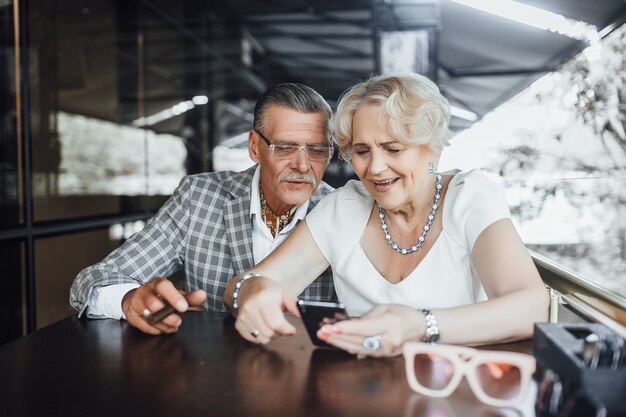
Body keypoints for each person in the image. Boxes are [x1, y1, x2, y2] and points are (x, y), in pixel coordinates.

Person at [224, 73, 549, 357]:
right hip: (359, 394)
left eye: (393, 148)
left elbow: (532, 307)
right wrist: (250, 292)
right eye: (363, 151)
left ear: (431, 147)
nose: (375, 168)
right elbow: (248, 283)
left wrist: (421, 325)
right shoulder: (343, 208)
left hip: (453, 394)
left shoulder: (468, 197)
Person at [70, 83, 337, 335]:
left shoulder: (339, 213)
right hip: (210, 370)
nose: (302, 165)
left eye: (317, 150)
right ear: (255, 147)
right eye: (285, 148)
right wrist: (130, 300)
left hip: (302, 370)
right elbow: (92, 280)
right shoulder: (199, 198)